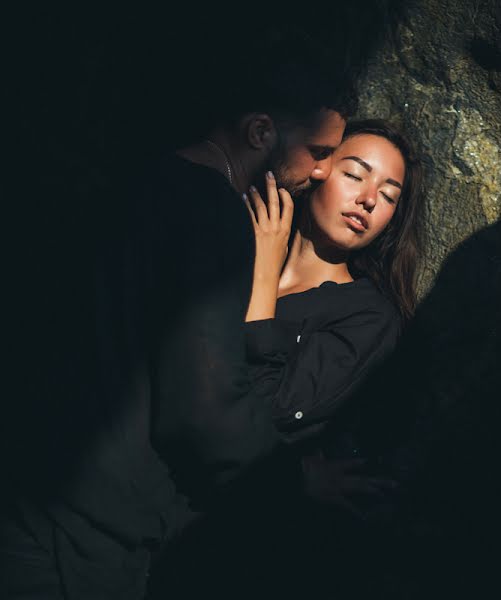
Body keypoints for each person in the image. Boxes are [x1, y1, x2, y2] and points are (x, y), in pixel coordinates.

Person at [0, 52, 357, 599]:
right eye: (319, 153)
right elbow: (203, 407)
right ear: (260, 131)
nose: (322, 171)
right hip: (74, 539)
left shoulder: (129, 178)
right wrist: (295, 479)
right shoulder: (213, 215)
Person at [144, 119, 425, 599]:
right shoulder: (228, 236)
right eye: (355, 174)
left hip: (210, 542)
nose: (369, 199)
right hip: (128, 496)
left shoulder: (369, 317)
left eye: (390, 194)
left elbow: (265, 406)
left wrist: (265, 271)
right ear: (318, 171)